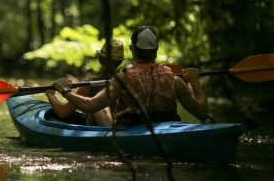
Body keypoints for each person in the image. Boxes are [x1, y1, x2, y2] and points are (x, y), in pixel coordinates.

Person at [53, 26, 209, 126]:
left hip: (130, 134)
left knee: (101, 107)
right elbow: (202, 113)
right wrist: (195, 83)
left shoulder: (124, 79)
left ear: (132, 49)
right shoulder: (175, 81)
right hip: (166, 129)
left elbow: (91, 106)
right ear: (157, 49)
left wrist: (65, 90)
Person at [46, 38, 125, 125]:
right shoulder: (126, 80)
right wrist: (73, 92)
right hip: (119, 126)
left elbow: (62, 112)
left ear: (100, 59)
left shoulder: (88, 85)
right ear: (120, 62)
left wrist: (50, 94)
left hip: (99, 132)